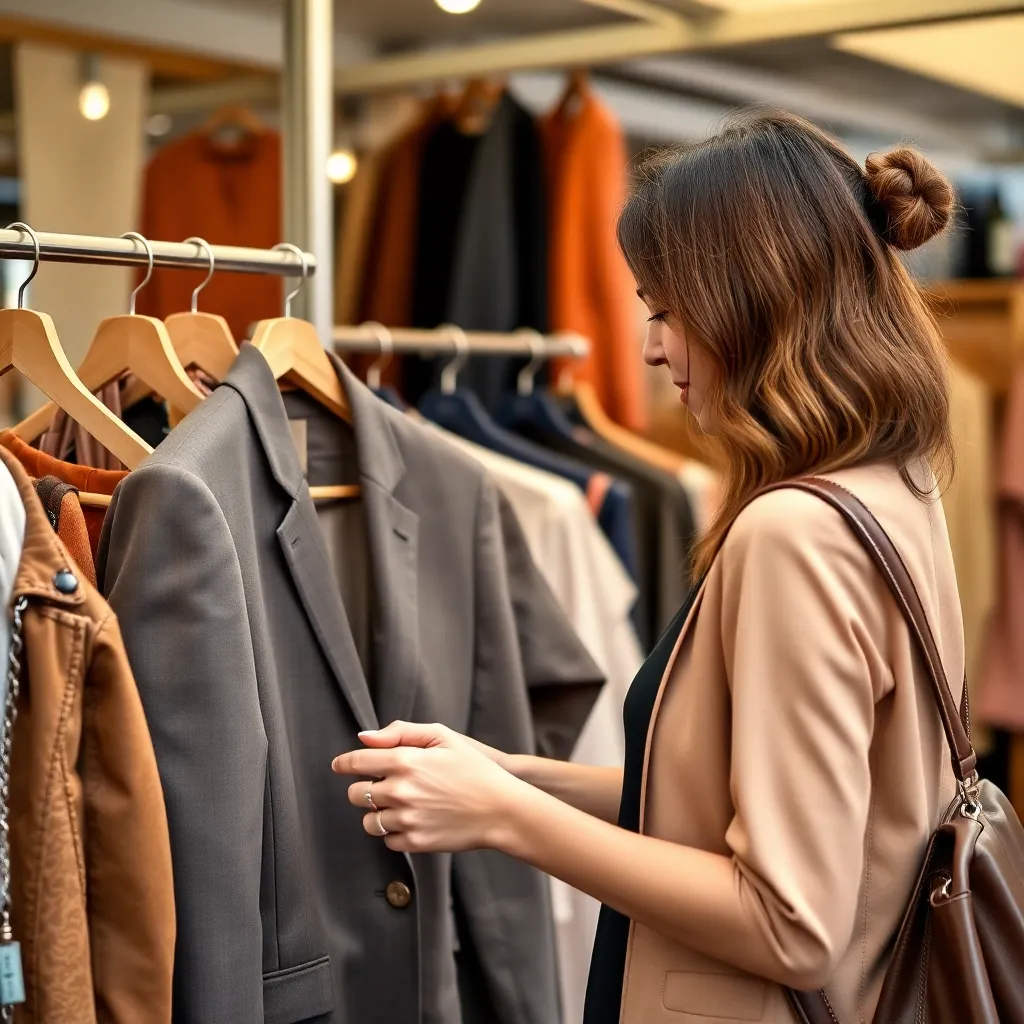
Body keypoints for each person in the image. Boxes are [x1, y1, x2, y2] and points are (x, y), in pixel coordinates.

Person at [332, 109, 961, 1023]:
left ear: (756, 297)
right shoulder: (894, 486)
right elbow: (755, 799)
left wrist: (506, 819)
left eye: (667, 309)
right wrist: (512, 775)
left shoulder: (794, 531)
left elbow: (791, 921)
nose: (652, 345)